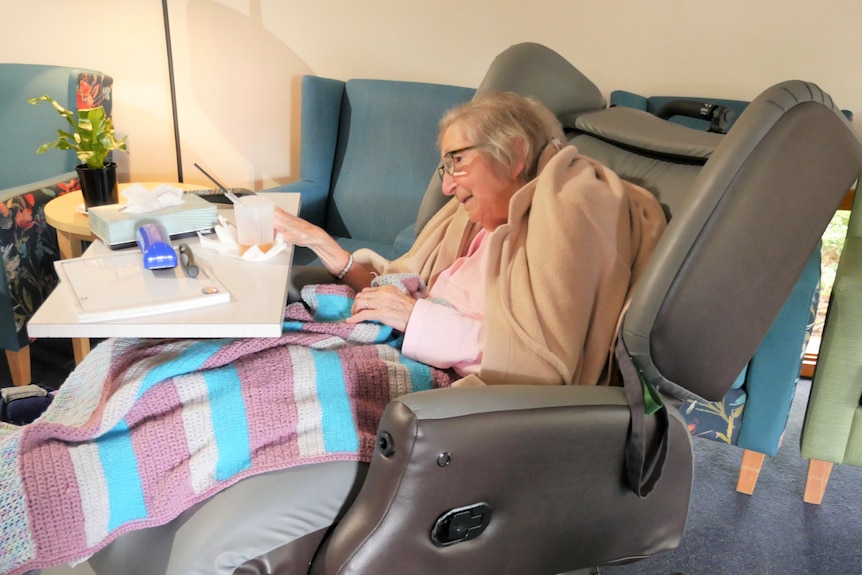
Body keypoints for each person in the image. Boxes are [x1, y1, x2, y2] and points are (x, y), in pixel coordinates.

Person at [19, 92, 666, 575]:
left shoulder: (557, 215)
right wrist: (322, 246)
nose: (446, 185)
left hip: (419, 386)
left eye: (457, 164)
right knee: (155, 363)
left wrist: (414, 317)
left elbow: (535, 357)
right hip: (374, 340)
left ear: (516, 153)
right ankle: (55, 463)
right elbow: (398, 281)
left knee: (215, 474)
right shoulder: (472, 230)